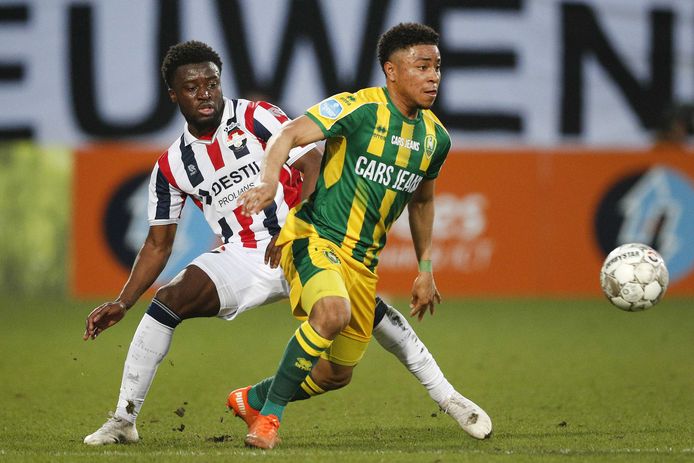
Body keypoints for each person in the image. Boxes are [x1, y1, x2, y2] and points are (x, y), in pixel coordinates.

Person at [82, 40, 491, 445]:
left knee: (356, 346)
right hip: (244, 256)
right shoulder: (171, 166)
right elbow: (158, 245)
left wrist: (292, 227)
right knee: (167, 301)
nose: (205, 94)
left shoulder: (256, 117)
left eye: (212, 84)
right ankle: (124, 419)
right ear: (173, 95)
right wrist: (124, 301)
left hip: (306, 238)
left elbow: (312, 163)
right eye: (192, 88)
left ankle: (448, 397)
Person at [234, 23, 492, 450]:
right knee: (331, 314)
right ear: (391, 71)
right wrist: (267, 182)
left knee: (337, 374)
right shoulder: (359, 108)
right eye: (422, 66)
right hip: (316, 237)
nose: (433, 77)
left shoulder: (435, 138)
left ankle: (253, 398)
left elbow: (423, 202)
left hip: (363, 262)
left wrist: (425, 268)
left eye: (437, 67)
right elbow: (289, 133)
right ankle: (269, 420)